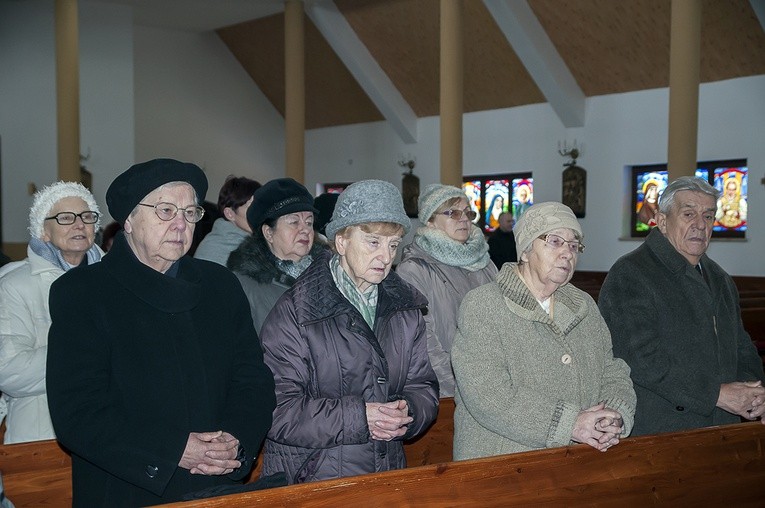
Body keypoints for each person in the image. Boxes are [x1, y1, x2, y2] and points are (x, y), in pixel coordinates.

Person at [46, 159, 276, 507]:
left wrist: (236, 441)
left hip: (217, 487)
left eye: (190, 212)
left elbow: (252, 378)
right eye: (166, 211)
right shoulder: (83, 293)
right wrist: (172, 451)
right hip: (125, 489)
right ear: (129, 220)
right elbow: (78, 412)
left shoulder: (219, 285)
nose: (181, 224)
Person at [258, 179, 439, 484]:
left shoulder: (405, 307)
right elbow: (279, 411)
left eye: (393, 245)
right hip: (316, 479)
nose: (386, 257)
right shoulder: (298, 311)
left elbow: (423, 385)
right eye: (373, 242)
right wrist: (360, 417)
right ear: (341, 242)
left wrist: (406, 412)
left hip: (386, 473)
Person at [452, 202, 635, 459]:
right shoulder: (484, 305)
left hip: (579, 462)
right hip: (502, 465)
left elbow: (612, 370)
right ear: (526, 251)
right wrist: (569, 424)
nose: (567, 253)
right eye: (555, 241)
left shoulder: (584, 306)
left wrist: (614, 415)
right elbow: (489, 395)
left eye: (574, 246)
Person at [599, 176, 765, 436]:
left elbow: (741, 345)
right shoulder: (631, 273)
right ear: (663, 222)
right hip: (662, 430)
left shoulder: (719, 278)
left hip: (722, 424)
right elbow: (640, 359)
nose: (700, 225)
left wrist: (754, 391)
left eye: (708, 216)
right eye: (689, 214)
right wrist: (716, 394)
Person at [0, 182, 102, 444]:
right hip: (42, 435)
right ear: (43, 231)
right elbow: (9, 371)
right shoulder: (14, 284)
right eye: (65, 218)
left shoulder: (114, 279)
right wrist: (88, 353)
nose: (79, 225)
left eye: (86, 217)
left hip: (107, 431)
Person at [396, 184, 498, 397]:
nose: (464, 219)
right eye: (452, 212)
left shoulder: (486, 263)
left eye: (468, 212)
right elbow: (424, 340)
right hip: (448, 390)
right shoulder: (414, 269)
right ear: (430, 221)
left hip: (494, 384)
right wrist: (457, 389)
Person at [227, 178, 322, 334]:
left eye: (309, 222)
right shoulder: (244, 286)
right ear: (269, 233)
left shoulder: (328, 274)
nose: (305, 229)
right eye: (294, 222)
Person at [194, 176, 261, 265]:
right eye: (251, 207)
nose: (259, 213)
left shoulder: (255, 244)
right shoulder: (216, 248)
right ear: (230, 214)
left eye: (261, 206)